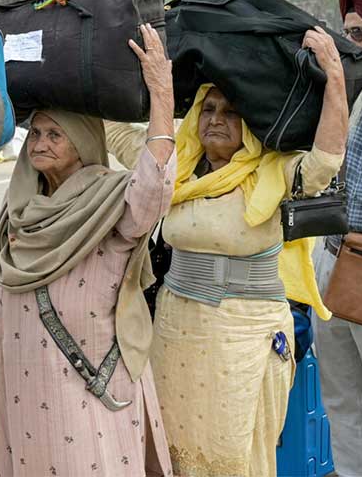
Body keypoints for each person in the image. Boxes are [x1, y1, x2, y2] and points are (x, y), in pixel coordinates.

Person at [149, 27, 348, 476]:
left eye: (232, 112)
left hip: (244, 337)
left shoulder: (272, 171)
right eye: (209, 109)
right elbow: (122, 134)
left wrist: (334, 80)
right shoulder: (176, 171)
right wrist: (157, 81)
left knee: (234, 456)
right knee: (173, 451)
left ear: (253, 124)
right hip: (175, 329)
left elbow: (325, 162)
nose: (216, 119)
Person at [0, 24, 176, 476]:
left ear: (85, 143)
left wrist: (161, 94)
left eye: (56, 134)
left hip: (87, 384)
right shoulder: (19, 211)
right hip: (22, 387)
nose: (40, 143)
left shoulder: (110, 202)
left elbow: (154, 186)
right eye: (36, 133)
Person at [311, 0, 362, 476]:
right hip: (334, 258)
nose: (351, 44)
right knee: (340, 397)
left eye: (361, 34)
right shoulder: (354, 86)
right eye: (347, 32)